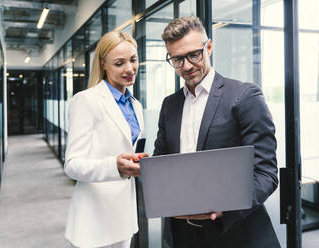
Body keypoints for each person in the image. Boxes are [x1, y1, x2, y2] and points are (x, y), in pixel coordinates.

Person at [153, 16, 280, 248]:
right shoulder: (169, 105)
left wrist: (225, 208)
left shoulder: (244, 96)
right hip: (184, 234)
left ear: (209, 47)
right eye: (178, 59)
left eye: (194, 55)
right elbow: (160, 164)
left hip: (237, 233)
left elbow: (266, 174)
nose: (187, 66)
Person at [64, 31, 148, 248]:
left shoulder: (136, 105)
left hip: (124, 216)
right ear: (103, 65)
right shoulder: (86, 101)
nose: (129, 69)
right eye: (119, 63)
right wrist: (115, 166)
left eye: (133, 60)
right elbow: (72, 165)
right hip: (94, 219)